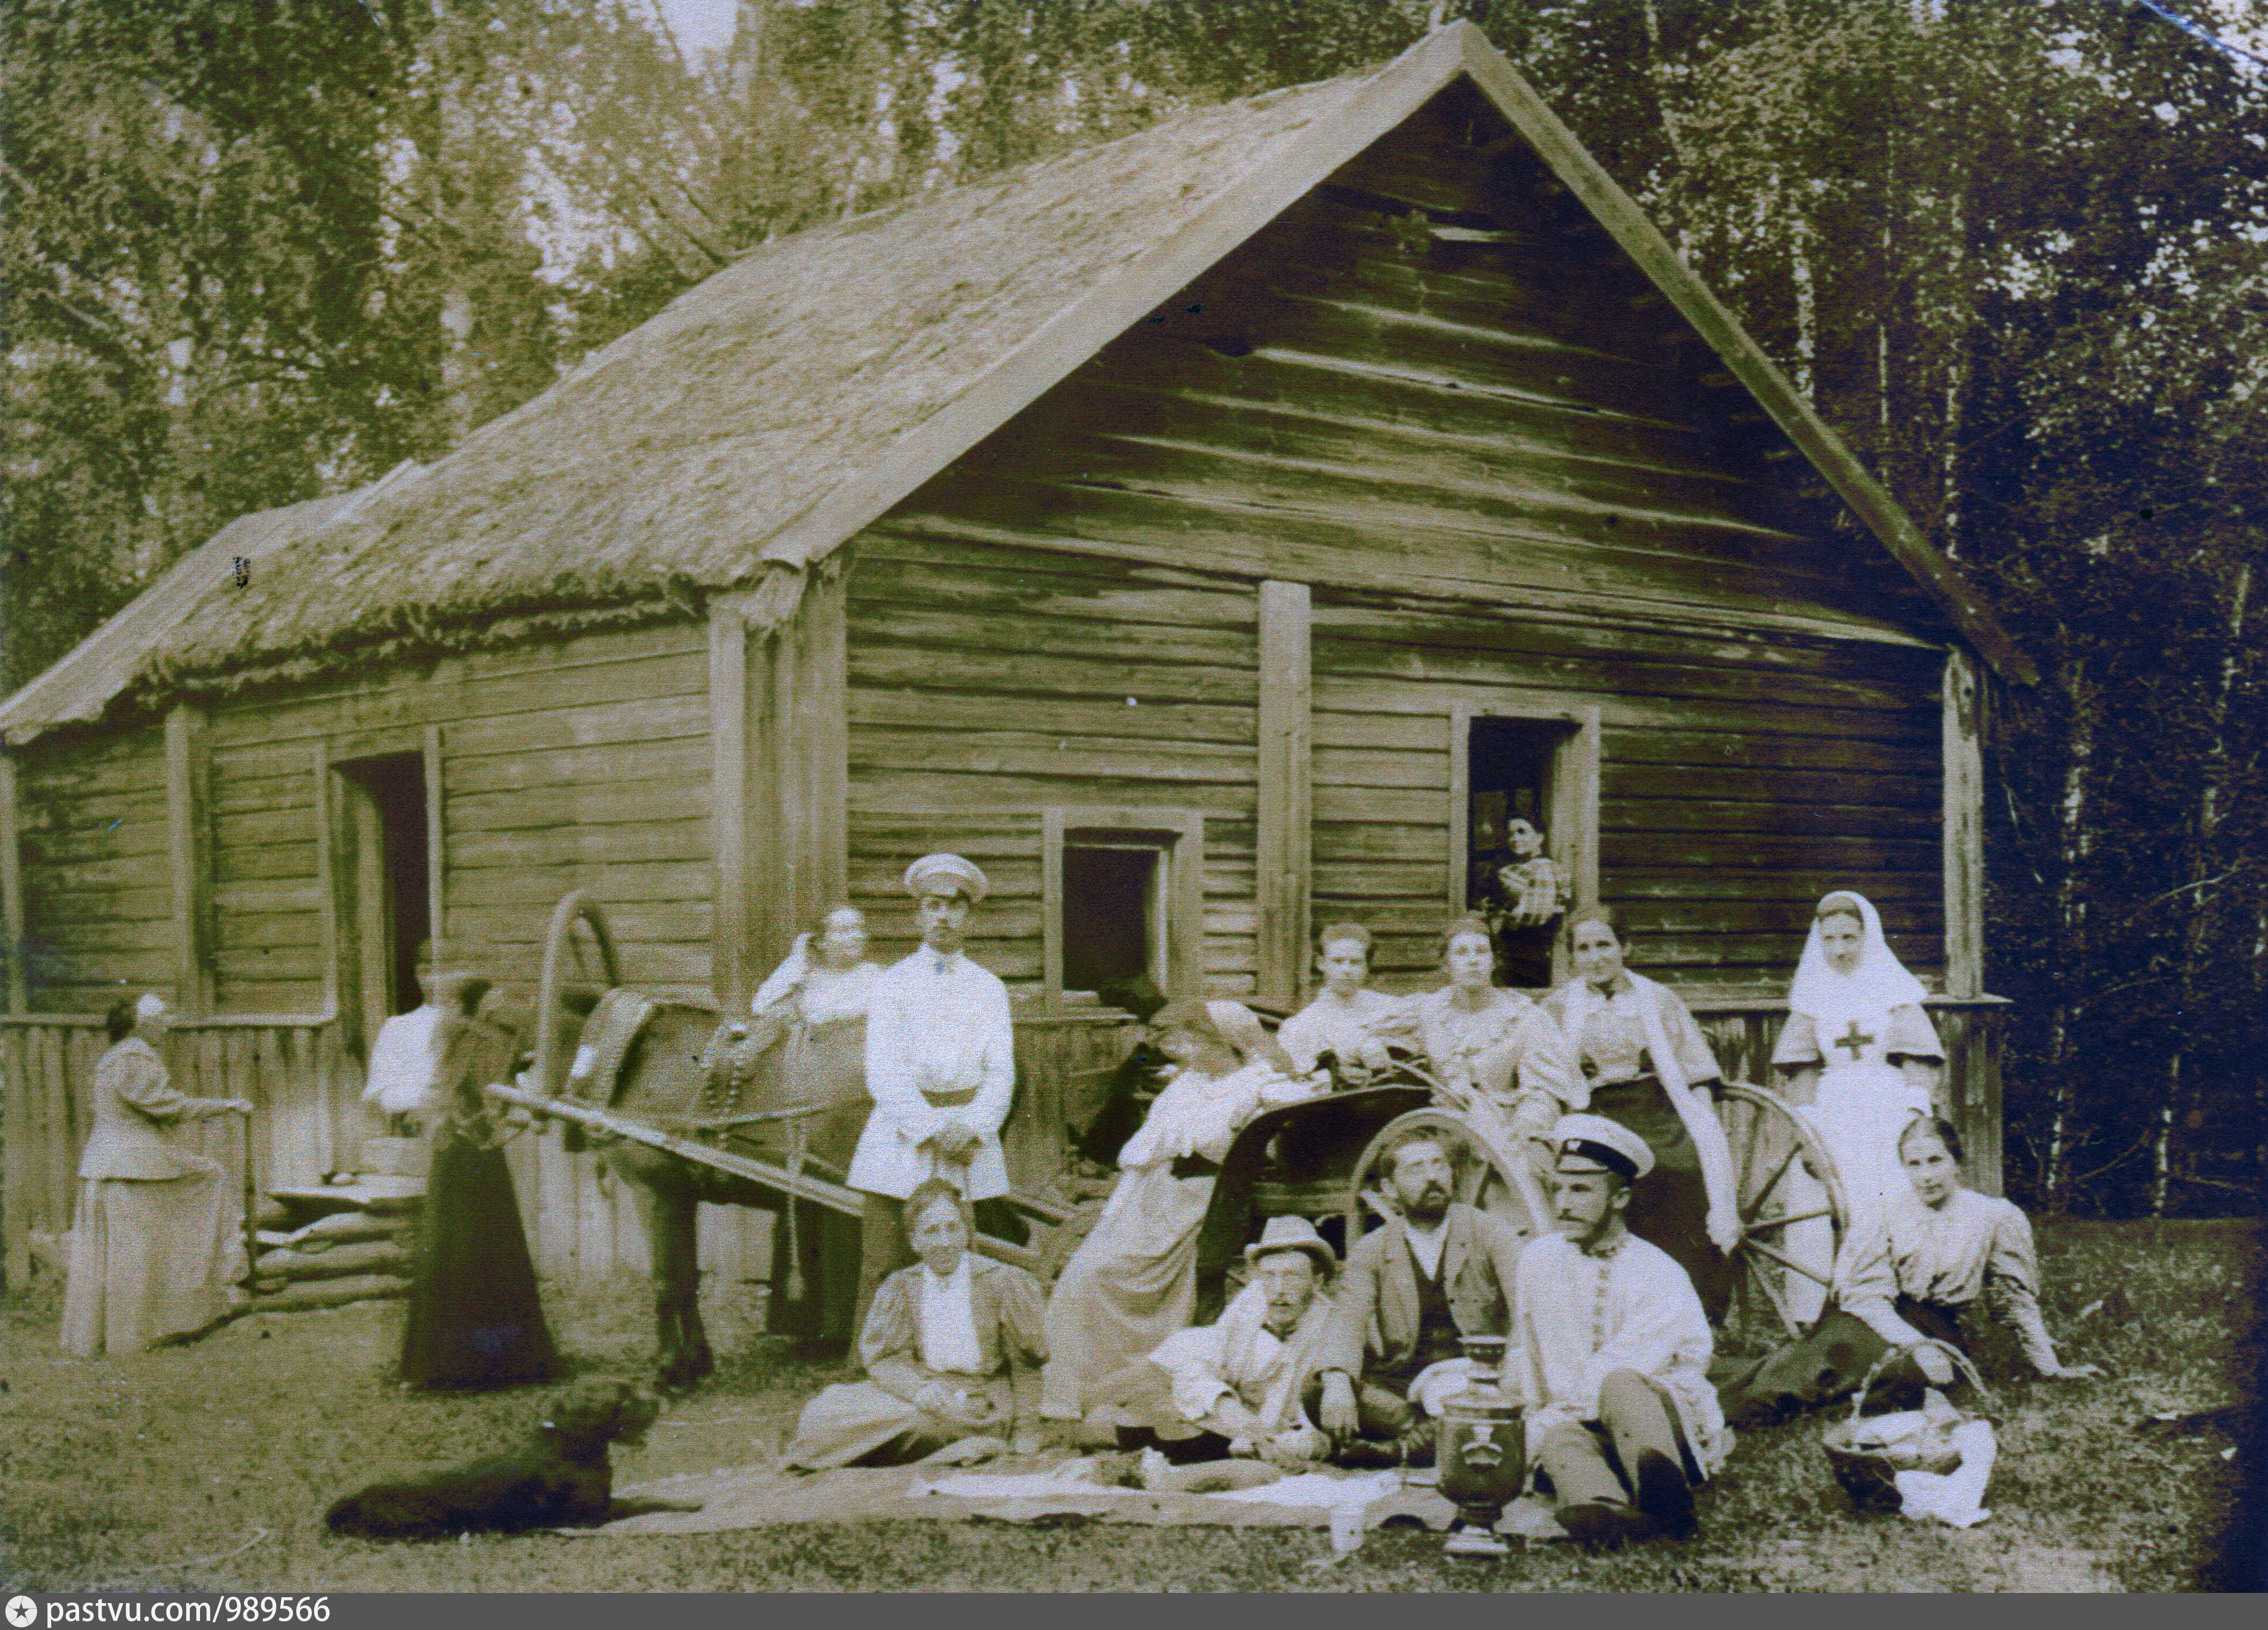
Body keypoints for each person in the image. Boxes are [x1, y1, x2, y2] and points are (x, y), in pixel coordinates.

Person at [1039, 999, 1316, 1425]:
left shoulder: (1257, 1082)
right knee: (1081, 1277)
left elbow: (1289, 1104)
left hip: (1205, 1194)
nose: (1175, 1052)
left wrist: (1254, 1110)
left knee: (1105, 1274)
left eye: (1183, 1041)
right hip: (1155, 1190)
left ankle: (1134, 1379)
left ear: (1213, 1040)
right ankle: (1080, 1393)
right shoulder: (1186, 1084)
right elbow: (1143, 1147)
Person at [1721, 1116, 2100, 1426]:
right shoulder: (1886, 1211)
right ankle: (1743, 1401)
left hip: (1936, 1326)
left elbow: (2014, 1300)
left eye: (1936, 1161)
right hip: (1867, 1315)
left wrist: (2049, 1367)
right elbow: (1864, 1297)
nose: (1926, 1176)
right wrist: (1914, 1345)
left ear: (1957, 1162)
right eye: (1913, 1164)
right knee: (1823, 1361)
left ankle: (1812, 1407)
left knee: (1903, 1378)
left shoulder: (1993, 1216)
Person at [1513, 1114, 1729, 1550]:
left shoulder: (1657, 1272)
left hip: (1656, 1419)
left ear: (1620, 1197)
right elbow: (1528, 1352)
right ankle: (1604, 1509)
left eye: (1580, 1189)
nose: (1562, 1204)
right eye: (1557, 1188)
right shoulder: (1537, 1260)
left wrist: (1557, 1413)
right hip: (1576, 1419)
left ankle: (1667, 1501)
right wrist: (1532, 1422)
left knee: (1620, 1386)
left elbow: (1629, 1365)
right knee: (1559, 1440)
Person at [1540, 906, 1742, 1324]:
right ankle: (1613, 1310)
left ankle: (1692, 1312)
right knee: (1609, 1180)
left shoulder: (1657, 999)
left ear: (1624, 947)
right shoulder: (1559, 1008)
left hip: (1656, 1105)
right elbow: (1544, 1075)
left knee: (1682, 1170)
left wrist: (1703, 1126)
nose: (1595, 957)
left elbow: (1693, 1067)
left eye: (1604, 945)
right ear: (1572, 958)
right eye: (1584, 949)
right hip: (1591, 1111)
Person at [849, 854, 1017, 1331]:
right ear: (917, 915)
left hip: (968, 1137)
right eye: (933, 905)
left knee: (962, 1255)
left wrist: (973, 1127)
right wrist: (930, 1128)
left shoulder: (989, 988)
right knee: (882, 1258)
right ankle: (872, 1362)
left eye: (954, 907)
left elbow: (1001, 1072)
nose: (943, 917)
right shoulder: (891, 983)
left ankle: (960, 1353)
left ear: (969, 916)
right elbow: (882, 1070)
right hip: (902, 1136)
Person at [782, 1179, 1048, 1469]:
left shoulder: (1003, 1281)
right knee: (824, 1414)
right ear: (914, 1241)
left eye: (953, 1228)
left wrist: (1026, 1431)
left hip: (980, 1397)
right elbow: (885, 1359)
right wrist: (918, 1391)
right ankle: (947, 1445)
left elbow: (1027, 1367)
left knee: (927, 1423)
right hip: (925, 1388)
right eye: (931, 1232)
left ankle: (963, 1442)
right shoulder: (901, 1287)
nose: (945, 1242)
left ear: (967, 1232)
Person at [1774, 890, 1945, 1321]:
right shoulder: (1811, 995)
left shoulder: (1892, 990)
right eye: (1829, 939)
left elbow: (1917, 1058)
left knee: (1888, 1195)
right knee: (1817, 1197)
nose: (1839, 950)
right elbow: (1801, 1069)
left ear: (1867, 937)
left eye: (1849, 938)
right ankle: (1813, 1312)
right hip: (1831, 1108)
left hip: (1884, 1106)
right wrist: (1807, 1124)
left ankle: (1900, 1302)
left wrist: (1913, 1111)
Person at [1308, 1128, 1526, 1465]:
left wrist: (1510, 1370)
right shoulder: (1373, 1248)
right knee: (1316, 1394)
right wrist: (1337, 1381)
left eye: (1439, 1166)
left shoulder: (1488, 1231)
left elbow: (1525, 1304)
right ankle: (1433, 1432)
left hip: (1476, 1374)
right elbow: (1348, 1318)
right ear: (1390, 1190)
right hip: (1402, 1383)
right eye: (1416, 1170)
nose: (1432, 1178)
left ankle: (1403, 1449)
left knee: (1488, 1398)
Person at [61, 993, 252, 1357]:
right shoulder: (134, 1058)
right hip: (133, 1167)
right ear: (141, 1023)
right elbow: (168, 1107)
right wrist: (226, 1106)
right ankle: (139, 1334)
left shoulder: (112, 1059)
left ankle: (115, 1335)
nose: (167, 1024)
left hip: (111, 1163)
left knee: (127, 1253)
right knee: (146, 1244)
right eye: (161, 1017)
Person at [398, 967, 561, 1389]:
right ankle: (495, 1362)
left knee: (458, 1256)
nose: (443, 1011)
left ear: (457, 1006)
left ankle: (452, 1363)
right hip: (472, 1155)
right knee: (485, 1256)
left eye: (448, 1003)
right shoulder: (474, 1042)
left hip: (462, 1156)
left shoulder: (464, 1041)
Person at [746, 905, 882, 1355]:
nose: (854, 937)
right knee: (804, 1203)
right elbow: (762, 1005)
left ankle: (841, 1325)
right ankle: (801, 1325)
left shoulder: (879, 978)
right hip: (809, 1105)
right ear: (821, 941)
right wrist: (800, 961)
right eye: (842, 930)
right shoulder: (809, 981)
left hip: (858, 1100)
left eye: (859, 928)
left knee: (843, 1207)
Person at [1110, 1216, 1339, 1467]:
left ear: (1317, 1281)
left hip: (1271, 1422)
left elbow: (1303, 1405)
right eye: (1269, 1276)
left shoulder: (1330, 1326)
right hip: (1231, 1409)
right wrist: (1242, 1421)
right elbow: (1201, 1370)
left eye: (1292, 1276)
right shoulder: (1248, 1310)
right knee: (1123, 1406)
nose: (1279, 1289)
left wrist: (1275, 1435)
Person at [1356, 915, 1574, 1150]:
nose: (1473, 961)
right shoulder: (1428, 1011)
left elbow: (1543, 1093)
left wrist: (1521, 1130)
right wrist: (1370, 1046)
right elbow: (1363, 1032)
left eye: (1481, 952)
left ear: (1493, 962)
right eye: (1462, 953)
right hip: (1443, 1137)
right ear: (1446, 965)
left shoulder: (1523, 1017)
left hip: (1508, 1135)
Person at [1276, 923, 1397, 1082]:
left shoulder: (1391, 1007)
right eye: (1338, 961)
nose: (1347, 970)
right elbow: (1299, 1078)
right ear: (1321, 964)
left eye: (1356, 962)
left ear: (1367, 966)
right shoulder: (1302, 1025)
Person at [1492, 818, 1570, 989]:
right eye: (1511, 834)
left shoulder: (1544, 869)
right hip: (1511, 951)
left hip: (1534, 950)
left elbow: (1536, 915)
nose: (1515, 838)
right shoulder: (1512, 870)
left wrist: (1505, 919)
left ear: (1539, 838)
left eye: (1522, 832)